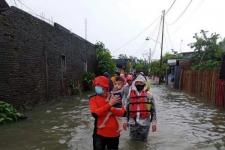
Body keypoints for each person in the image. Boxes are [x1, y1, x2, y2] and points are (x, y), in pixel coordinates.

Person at [89, 76, 126, 150]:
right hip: (99, 134)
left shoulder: (116, 96)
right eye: (96, 85)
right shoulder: (93, 98)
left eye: (99, 86)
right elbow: (95, 114)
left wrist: (112, 108)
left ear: (106, 87)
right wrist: (109, 104)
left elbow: (124, 113)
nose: (97, 87)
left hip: (114, 134)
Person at [124, 74, 157, 141]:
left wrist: (154, 123)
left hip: (145, 124)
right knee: (132, 142)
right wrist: (125, 121)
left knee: (143, 142)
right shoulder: (130, 95)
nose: (139, 84)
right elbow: (126, 110)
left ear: (144, 84)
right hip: (133, 123)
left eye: (141, 82)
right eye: (137, 82)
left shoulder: (149, 96)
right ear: (134, 83)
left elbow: (153, 111)